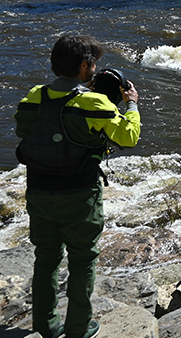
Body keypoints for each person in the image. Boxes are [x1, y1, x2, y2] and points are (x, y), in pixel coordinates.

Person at [14, 35, 141, 338]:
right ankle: (78, 329)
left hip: (39, 191)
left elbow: (23, 129)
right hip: (79, 195)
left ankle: (45, 325)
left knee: (46, 258)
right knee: (82, 260)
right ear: (84, 66)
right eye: (94, 63)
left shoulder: (34, 95)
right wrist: (132, 104)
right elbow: (128, 136)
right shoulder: (93, 102)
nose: (95, 68)